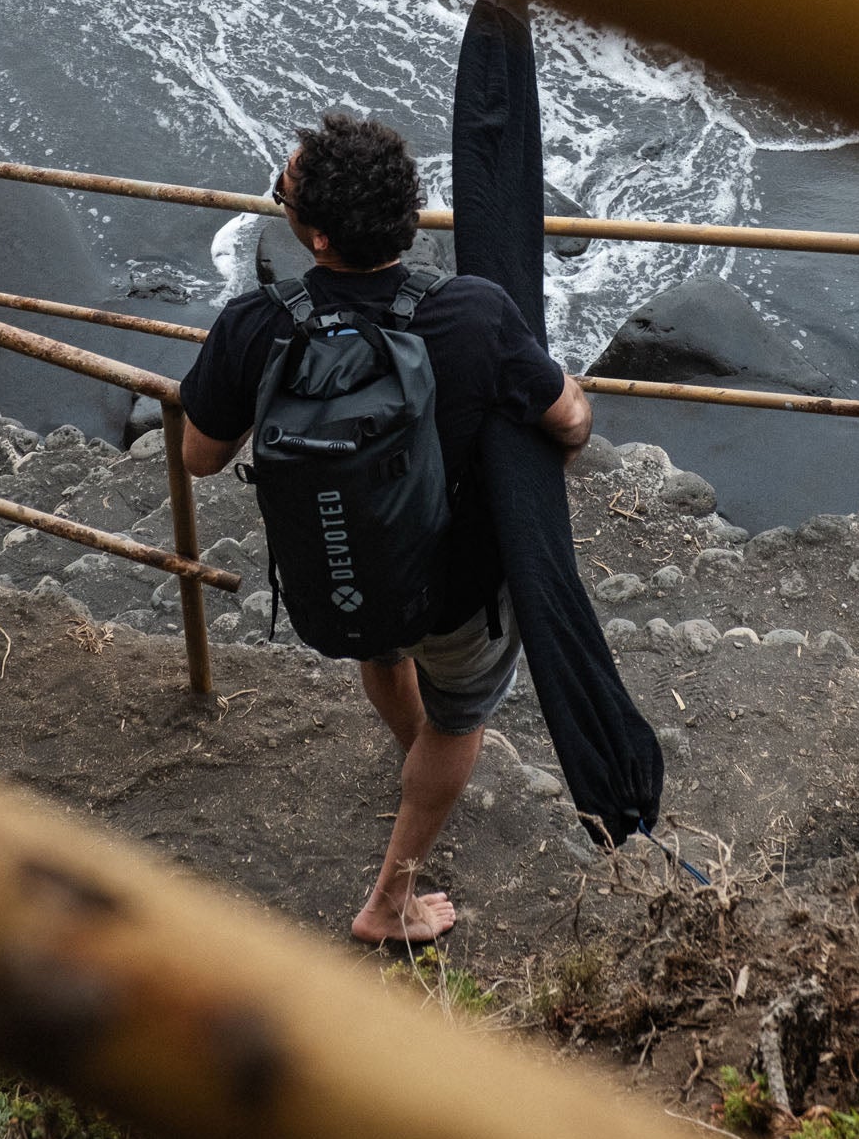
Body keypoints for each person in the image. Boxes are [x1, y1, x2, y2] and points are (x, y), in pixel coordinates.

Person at [179, 110, 591, 943]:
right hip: (458, 588)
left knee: (385, 654)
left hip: (341, 568)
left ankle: (416, 768)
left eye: (281, 194)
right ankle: (388, 901)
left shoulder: (256, 325)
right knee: (458, 719)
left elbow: (198, 456)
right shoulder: (474, 313)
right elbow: (569, 420)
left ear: (317, 238)